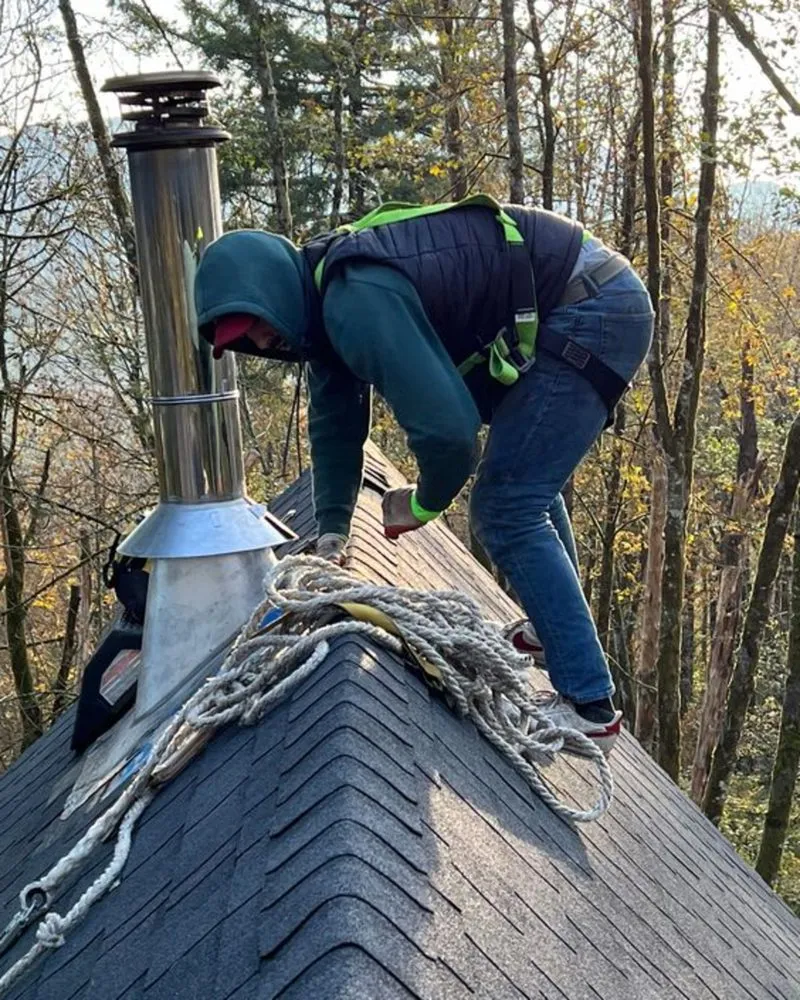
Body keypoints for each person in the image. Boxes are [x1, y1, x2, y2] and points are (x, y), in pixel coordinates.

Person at [194, 201, 654, 752]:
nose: (266, 344)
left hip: (590, 306)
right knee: (522, 481)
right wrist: (334, 530)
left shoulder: (353, 302)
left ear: (273, 292)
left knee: (506, 506)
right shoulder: (322, 303)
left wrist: (422, 504)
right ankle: (551, 631)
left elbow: (450, 434)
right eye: (250, 342)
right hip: (583, 297)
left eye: (260, 327)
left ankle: (588, 705)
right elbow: (334, 426)